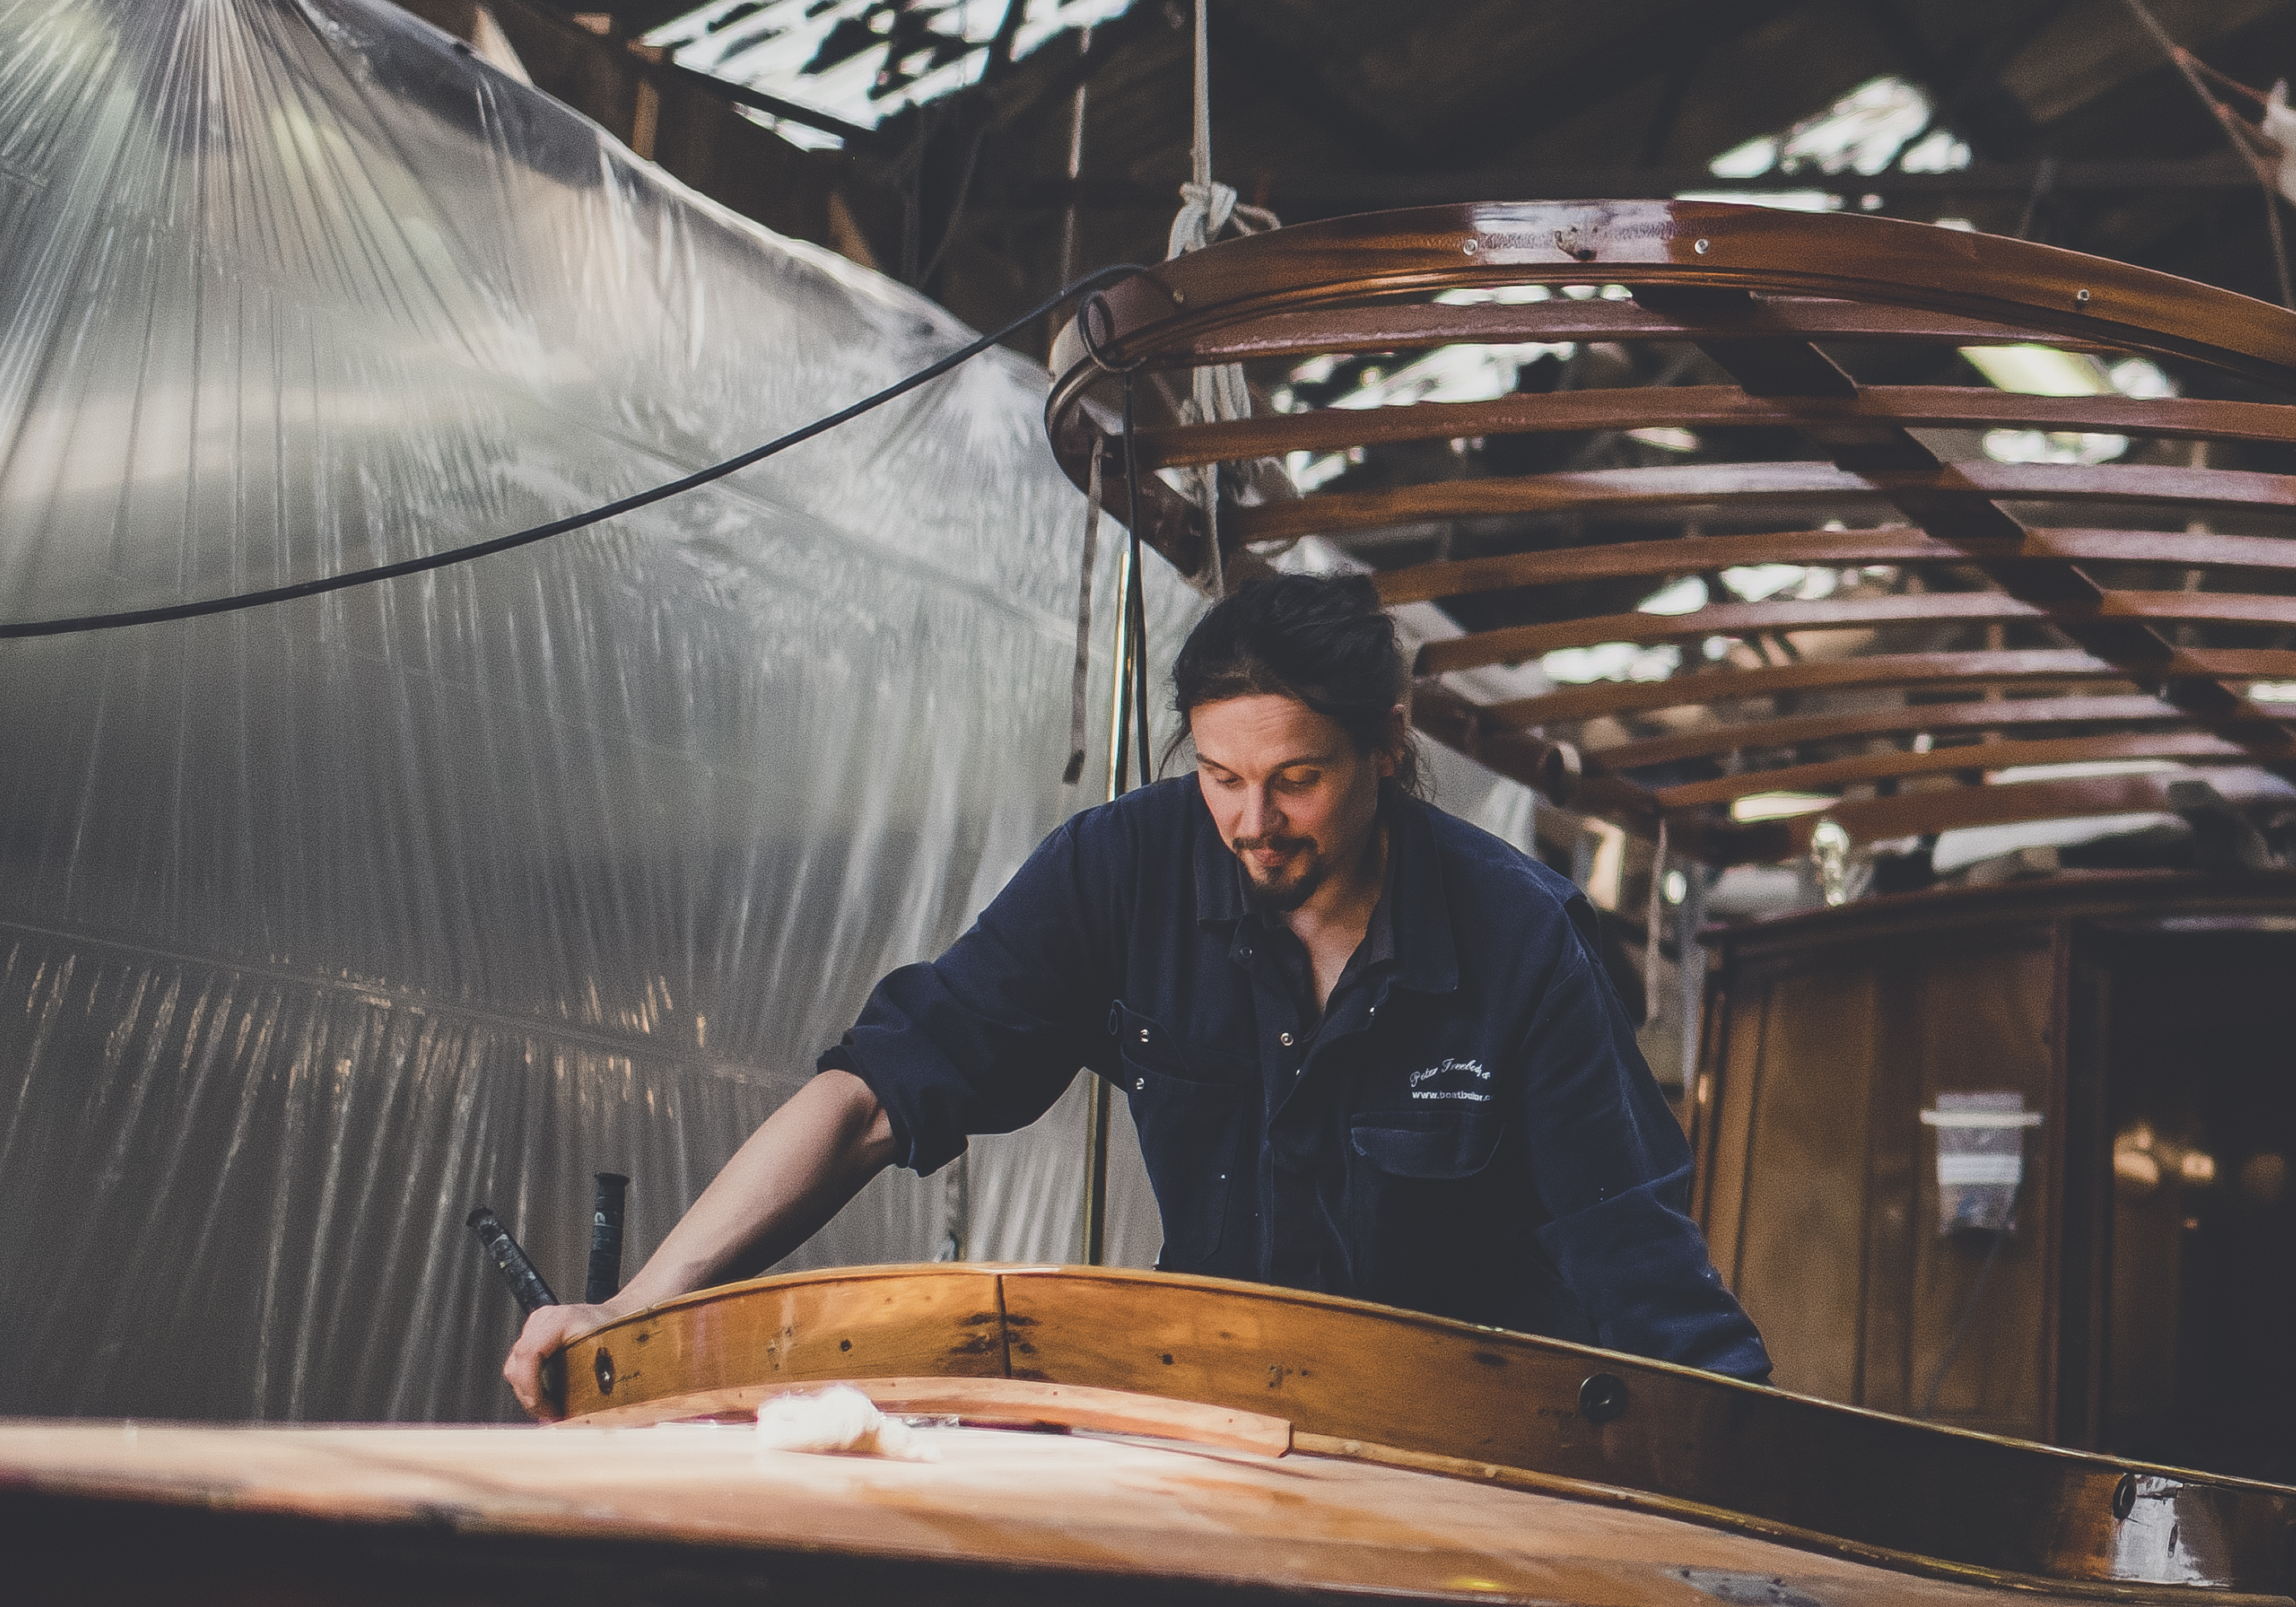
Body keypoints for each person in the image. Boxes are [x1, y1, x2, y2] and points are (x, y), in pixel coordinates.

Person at [504, 573, 1762, 1408]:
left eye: (1298, 781)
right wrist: (634, 1306)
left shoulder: (1518, 936)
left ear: (1388, 743)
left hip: (1466, 1437)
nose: (1254, 825)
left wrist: (1752, 1476)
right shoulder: (1125, 869)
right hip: (1217, 1417)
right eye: (1221, 777)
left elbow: (1632, 1255)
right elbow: (876, 1094)